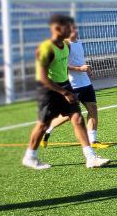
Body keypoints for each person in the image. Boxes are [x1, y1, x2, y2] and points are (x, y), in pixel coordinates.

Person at [21, 14, 109, 170]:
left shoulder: (67, 46)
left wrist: (68, 87)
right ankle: (30, 156)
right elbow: (42, 77)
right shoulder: (46, 48)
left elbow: (62, 70)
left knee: (77, 118)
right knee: (43, 125)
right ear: (56, 28)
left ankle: (90, 157)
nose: (71, 30)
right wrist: (65, 92)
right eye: (68, 27)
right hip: (48, 90)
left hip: (65, 86)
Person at [44, 21, 104, 149]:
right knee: (70, 115)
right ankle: (48, 127)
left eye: (76, 29)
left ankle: (93, 140)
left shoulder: (79, 42)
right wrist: (80, 69)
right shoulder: (65, 45)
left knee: (92, 108)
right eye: (72, 30)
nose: (75, 31)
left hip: (85, 82)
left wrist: (87, 70)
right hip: (73, 84)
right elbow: (63, 65)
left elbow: (79, 61)